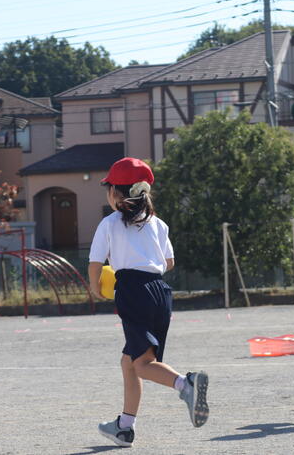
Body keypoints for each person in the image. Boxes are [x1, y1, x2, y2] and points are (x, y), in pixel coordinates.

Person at [88, 157, 209, 448]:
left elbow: (95, 263)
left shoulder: (109, 223)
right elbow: (169, 262)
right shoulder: (158, 224)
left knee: (142, 364)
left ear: (114, 192)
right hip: (160, 291)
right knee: (129, 361)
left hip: (132, 289)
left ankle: (186, 384)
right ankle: (124, 427)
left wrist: (95, 288)